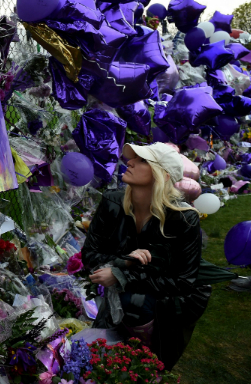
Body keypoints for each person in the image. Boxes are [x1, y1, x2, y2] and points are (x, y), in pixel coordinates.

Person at [82, 142, 211, 371]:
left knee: (134, 303)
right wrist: (125, 260)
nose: (129, 162)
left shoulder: (183, 219)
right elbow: (90, 256)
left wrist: (123, 274)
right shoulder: (112, 202)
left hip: (170, 299)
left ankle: (145, 362)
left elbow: (183, 282)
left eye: (142, 160)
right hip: (130, 294)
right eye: (132, 158)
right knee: (124, 309)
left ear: (162, 174)